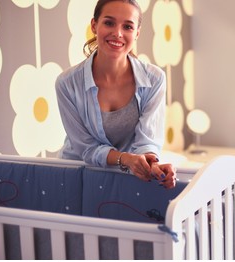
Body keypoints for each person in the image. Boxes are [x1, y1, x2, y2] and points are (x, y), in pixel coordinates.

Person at [55, 0, 176, 188]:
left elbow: (147, 141)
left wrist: (151, 164)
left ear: (136, 33)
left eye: (127, 26)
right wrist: (125, 159)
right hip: (76, 175)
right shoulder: (67, 83)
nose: (118, 33)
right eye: (109, 23)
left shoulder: (154, 79)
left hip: (124, 176)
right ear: (94, 26)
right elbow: (86, 148)